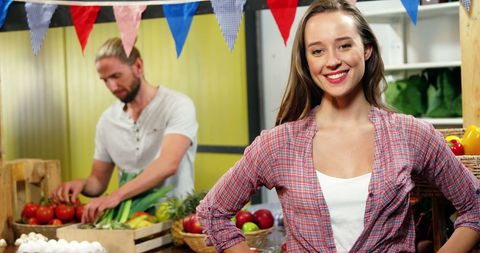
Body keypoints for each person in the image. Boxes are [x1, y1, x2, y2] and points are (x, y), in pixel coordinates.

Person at [196, 0, 480, 252]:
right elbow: (213, 213)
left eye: (344, 45)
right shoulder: (279, 144)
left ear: (366, 49)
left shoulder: (411, 134)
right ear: (306, 62)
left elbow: (475, 207)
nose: (332, 61)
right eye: (317, 51)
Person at [52, 37, 198, 223]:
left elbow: (167, 164)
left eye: (116, 76)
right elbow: (98, 181)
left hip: (176, 222)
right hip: (129, 225)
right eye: (105, 80)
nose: (111, 87)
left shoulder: (177, 105)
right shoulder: (107, 120)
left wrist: (116, 196)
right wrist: (82, 184)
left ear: (138, 66)